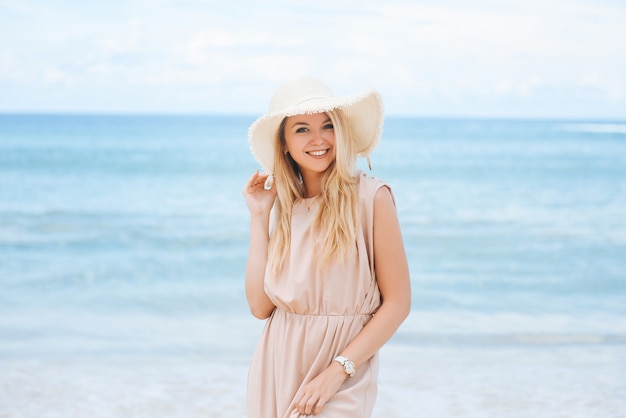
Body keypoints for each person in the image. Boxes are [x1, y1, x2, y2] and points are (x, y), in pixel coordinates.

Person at [243, 76, 411, 417]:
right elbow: (260, 307)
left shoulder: (372, 197)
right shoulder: (286, 207)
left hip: (342, 377)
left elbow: (398, 303)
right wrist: (260, 217)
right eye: (302, 129)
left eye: (327, 126)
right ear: (285, 144)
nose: (319, 140)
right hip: (277, 369)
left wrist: (337, 372)